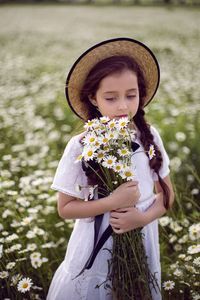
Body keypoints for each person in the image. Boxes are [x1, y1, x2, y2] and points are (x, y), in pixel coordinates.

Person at [47, 37, 174, 300]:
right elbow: (65, 208)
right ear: (93, 98)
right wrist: (114, 202)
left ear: (141, 93)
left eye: (131, 95)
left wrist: (141, 219)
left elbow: (167, 197)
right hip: (96, 248)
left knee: (137, 288)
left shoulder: (148, 137)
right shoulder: (81, 145)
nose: (123, 106)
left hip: (142, 242)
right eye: (111, 97)